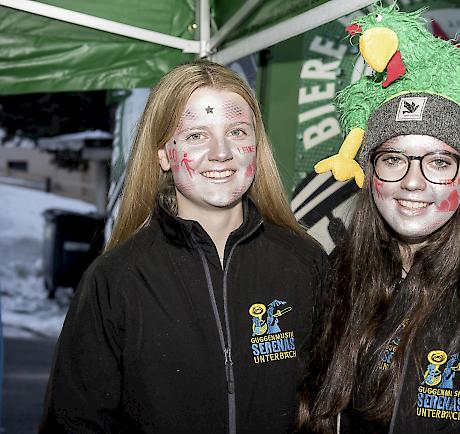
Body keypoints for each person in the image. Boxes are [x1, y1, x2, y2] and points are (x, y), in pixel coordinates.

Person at [298, 6, 460, 433]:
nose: (412, 182)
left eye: (439, 162)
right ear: (369, 173)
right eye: (393, 159)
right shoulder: (344, 276)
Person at [41, 60, 326, 433]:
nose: (221, 152)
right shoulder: (117, 279)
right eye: (196, 136)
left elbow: (332, 403)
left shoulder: (305, 262)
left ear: (257, 144)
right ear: (162, 153)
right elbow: (74, 422)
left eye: (238, 132)